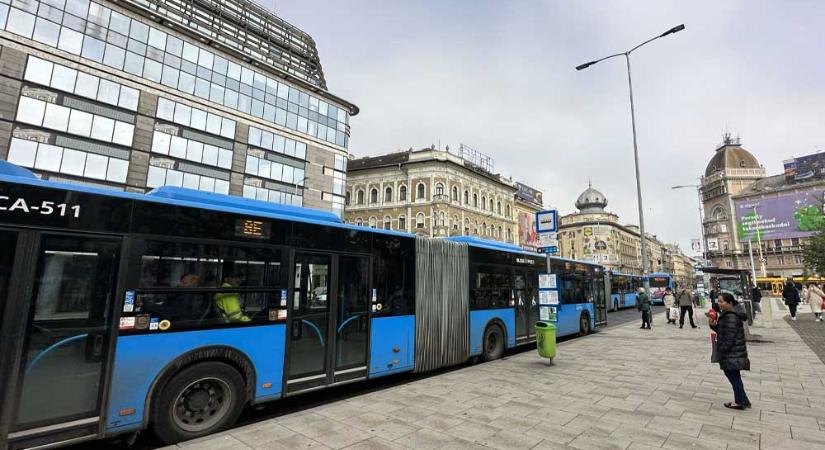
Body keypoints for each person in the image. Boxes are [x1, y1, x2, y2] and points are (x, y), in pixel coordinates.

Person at [711, 293, 751, 410]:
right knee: (735, 377)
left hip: (732, 353)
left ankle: (739, 402)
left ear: (729, 303)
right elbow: (722, 329)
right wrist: (712, 323)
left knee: (734, 377)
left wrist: (721, 351)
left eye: (721, 301)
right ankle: (744, 400)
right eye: (718, 301)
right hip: (734, 352)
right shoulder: (729, 314)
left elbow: (729, 338)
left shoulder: (731, 316)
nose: (719, 304)